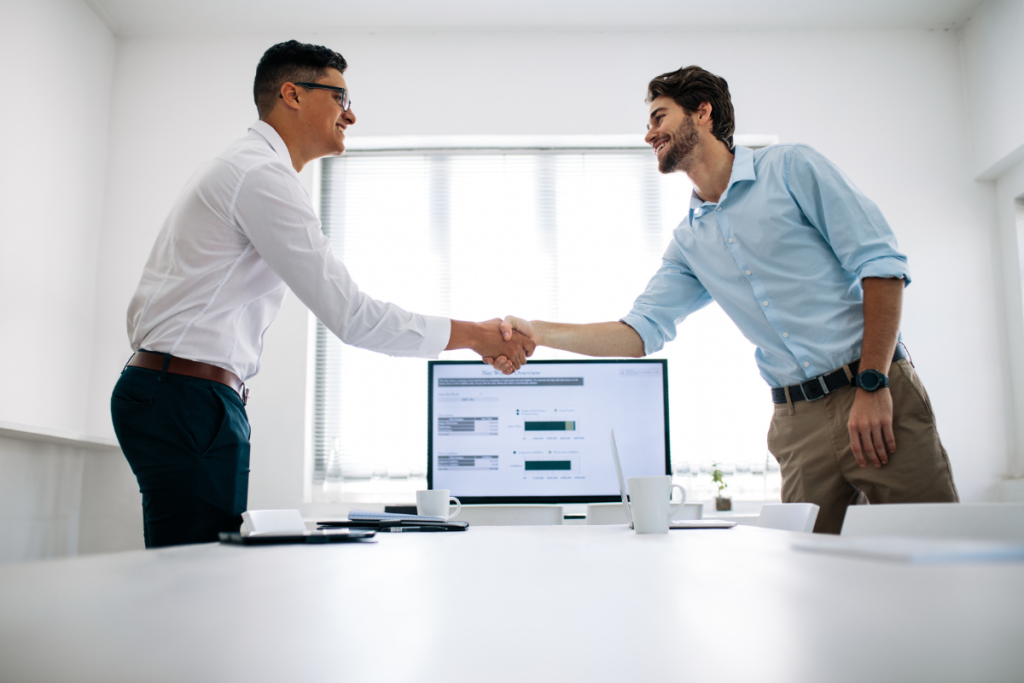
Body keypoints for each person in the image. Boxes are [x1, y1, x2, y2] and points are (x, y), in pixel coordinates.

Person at [490, 66, 958, 534]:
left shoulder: (791, 168)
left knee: (936, 555)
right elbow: (639, 333)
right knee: (812, 581)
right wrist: (540, 331)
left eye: (659, 117)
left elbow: (881, 265)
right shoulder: (690, 241)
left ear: (703, 112)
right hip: (798, 423)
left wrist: (873, 383)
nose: (649, 133)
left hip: (875, 389)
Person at [111, 40, 533, 548]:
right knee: (191, 583)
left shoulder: (251, 169)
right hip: (186, 397)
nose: (351, 115)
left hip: (184, 393)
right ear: (291, 94)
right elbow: (352, 316)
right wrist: (478, 336)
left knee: (196, 573)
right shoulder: (261, 175)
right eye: (340, 97)